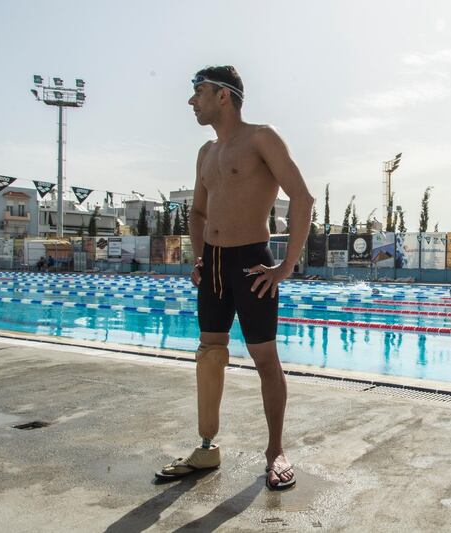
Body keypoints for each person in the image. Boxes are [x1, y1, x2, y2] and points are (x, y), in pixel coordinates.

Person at [156, 66, 313, 491]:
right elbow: (199, 212)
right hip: (214, 265)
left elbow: (302, 196)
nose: (192, 102)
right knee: (209, 353)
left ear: (224, 96)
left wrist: (286, 266)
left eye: (199, 93)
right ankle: (206, 447)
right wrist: (201, 257)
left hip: (250, 263)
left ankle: (275, 451)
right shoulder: (205, 152)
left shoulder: (262, 138)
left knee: (265, 359)